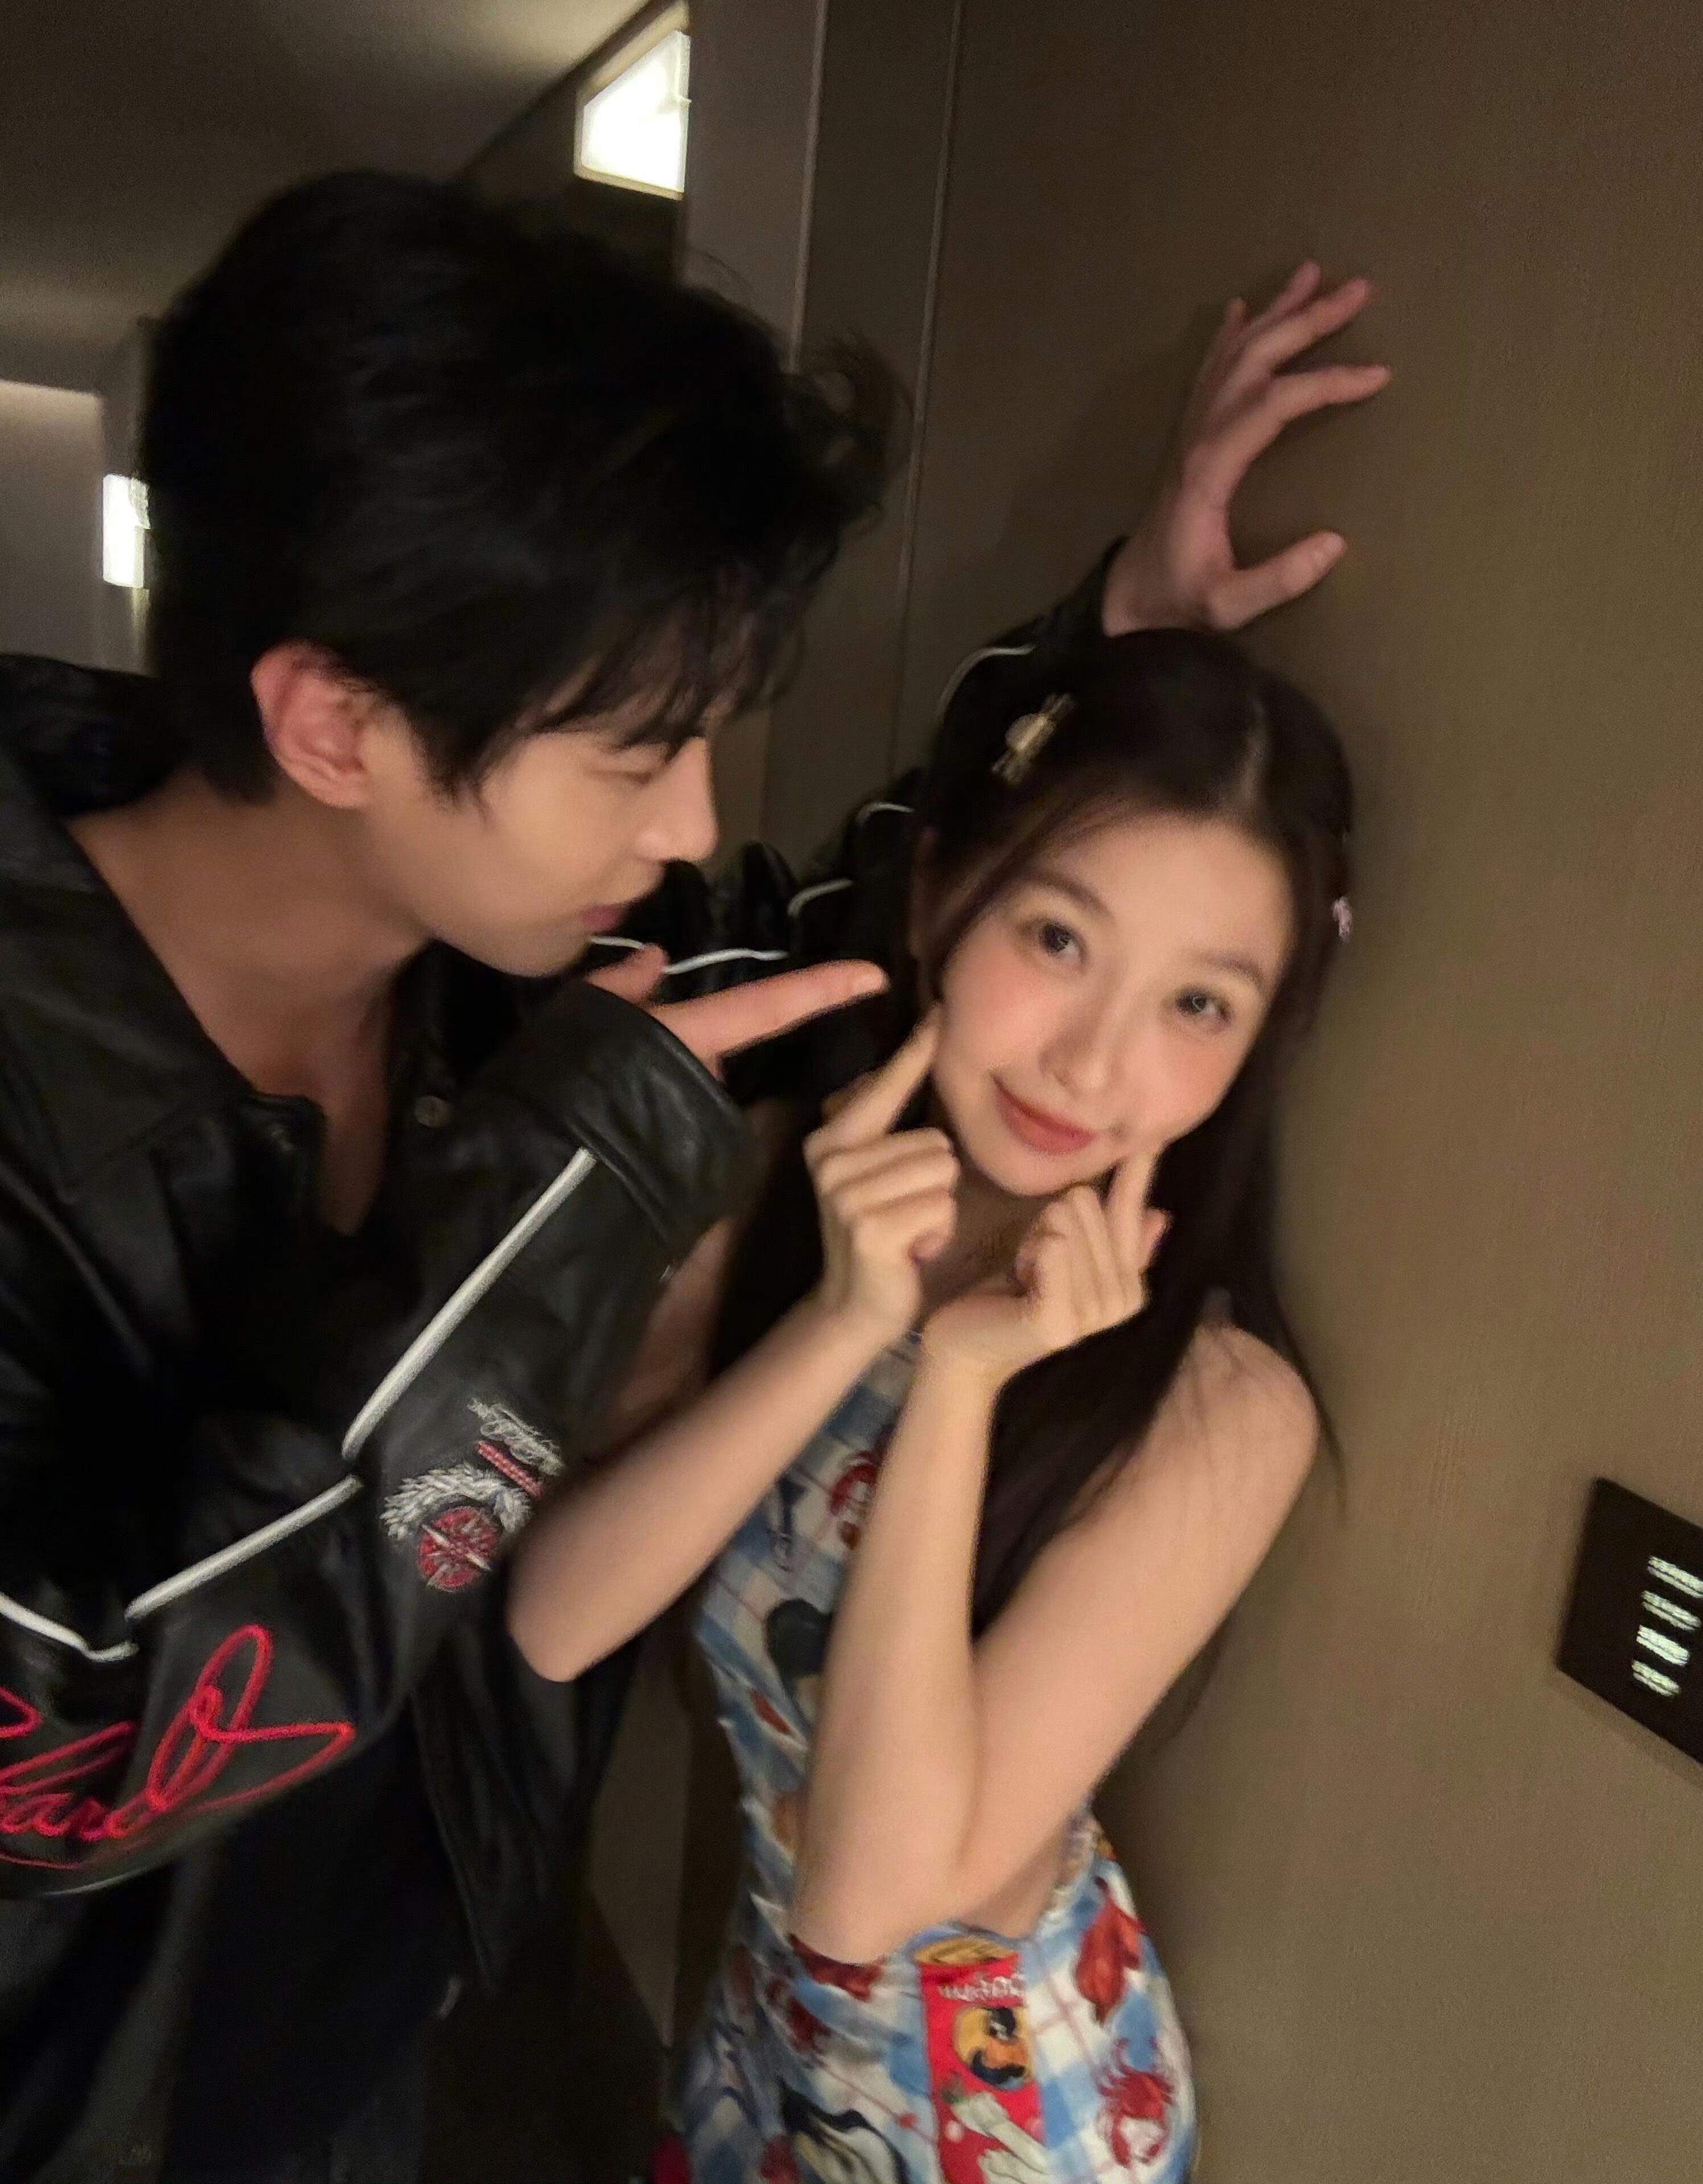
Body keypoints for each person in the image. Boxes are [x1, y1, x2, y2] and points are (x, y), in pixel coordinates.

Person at [0, 153, 1379, 2184]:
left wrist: (1105, 666)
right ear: (334, 729)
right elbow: (67, 1740)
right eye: (637, 755)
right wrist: (563, 1197)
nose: (686, 825)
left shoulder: (525, 975)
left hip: (390, 2012)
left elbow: (851, 934)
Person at [509, 605, 1359, 2179]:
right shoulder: (789, 1179)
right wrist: (847, 1321)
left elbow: (871, 1899)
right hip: (760, 2026)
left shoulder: (1220, 1405)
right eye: (1058, 940)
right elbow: (556, 1617)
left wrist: (960, 1383)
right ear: (936, 895)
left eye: (1199, 1004)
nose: (1092, 1062)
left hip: (1010, 2115)